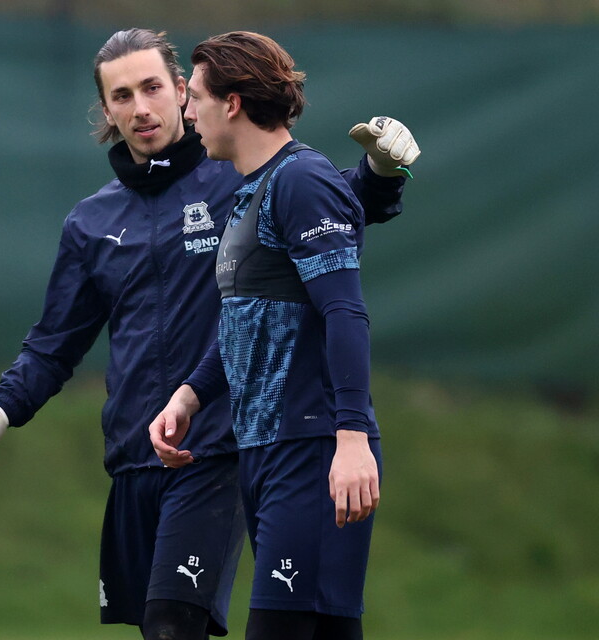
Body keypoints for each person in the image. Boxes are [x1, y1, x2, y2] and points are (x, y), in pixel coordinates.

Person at [0, 28, 419, 640]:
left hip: (230, 448)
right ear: (105, 112)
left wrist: (381, 174)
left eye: (155, 88)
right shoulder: (92, 222)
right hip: (141, 453)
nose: (142, 107)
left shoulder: (244, 176)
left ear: (184, 94)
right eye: (121, 96)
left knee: (176, 624)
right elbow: (53, 344)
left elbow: (333, 212)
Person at [149, 32, 403, 640]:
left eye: (197, 98)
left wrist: (350, 439)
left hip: (313, 450)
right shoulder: (249, 193)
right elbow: (247, 319)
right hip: (264, 452)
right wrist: (191, 394)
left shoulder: (301, 181)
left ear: (232, 103)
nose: (187, 112)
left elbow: (345, 313)